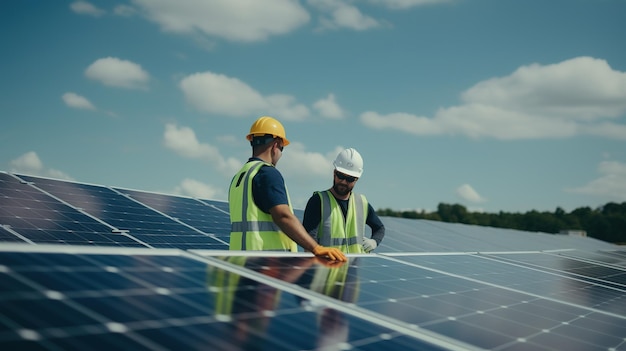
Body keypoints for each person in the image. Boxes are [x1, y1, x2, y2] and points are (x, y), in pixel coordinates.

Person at [229, 116, 347, 262]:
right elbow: (283, 216)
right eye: (282, 147)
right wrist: (316, 248)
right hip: (264, 266)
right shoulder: (268, 173)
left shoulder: (240, 176)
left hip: (238, 262)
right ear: (275, 145)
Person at [303, 148, 385, 253]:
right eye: (340, 176)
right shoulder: (318, 201)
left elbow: (380, 228)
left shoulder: (361, 203)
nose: (343, 182)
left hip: (353, 267)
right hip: (327, 267)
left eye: (350, 179)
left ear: (357, 179)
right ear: (334, 173)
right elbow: (309, 240)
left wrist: (374, 241)